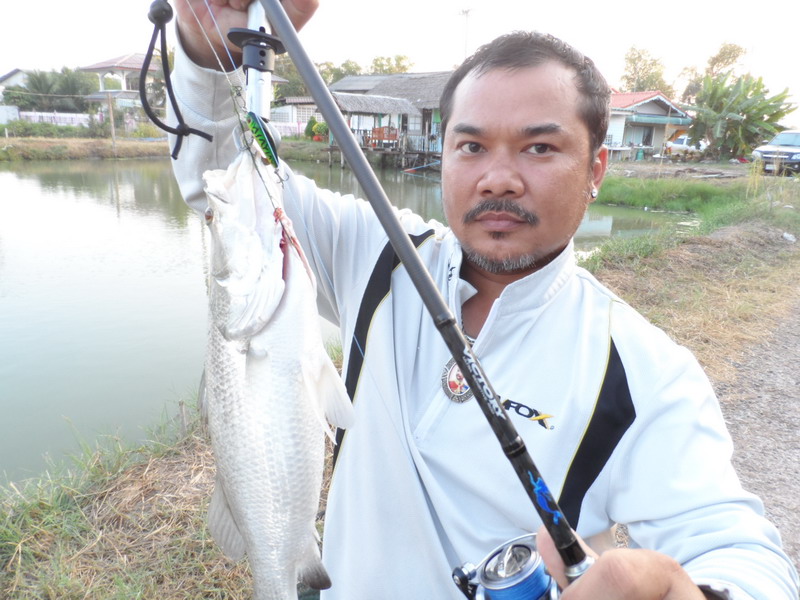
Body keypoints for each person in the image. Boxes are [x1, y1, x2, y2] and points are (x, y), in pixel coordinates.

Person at [169, 1, 799, 598]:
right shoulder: (377, 252)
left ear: (597, 169)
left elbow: (738, 549)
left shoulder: (646, 372)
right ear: (444, 157)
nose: (498, 177)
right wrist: (207, 43)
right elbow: (227, 182)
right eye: (471, 146)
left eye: (539, 147)